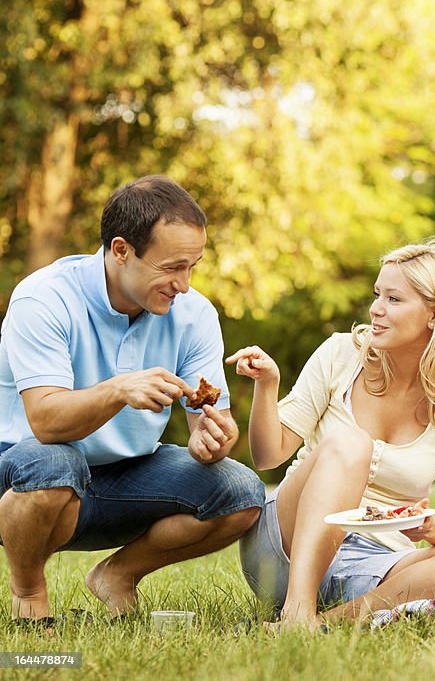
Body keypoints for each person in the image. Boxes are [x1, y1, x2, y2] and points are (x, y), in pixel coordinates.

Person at [0, 175, 265, 621]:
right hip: (23, 475)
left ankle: (117, 575)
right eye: (171, 267)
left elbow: (208, 418)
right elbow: (45, 422)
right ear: (121, 250)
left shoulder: (194, 313)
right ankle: (29, 595)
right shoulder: (43, 298)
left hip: (126, 476)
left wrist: (213, 438)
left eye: (192, 266)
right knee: (54, 462)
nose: (183, 283)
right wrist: (119, 388)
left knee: (241, 492)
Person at [231, 239, 435, 630]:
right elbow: (269, 457)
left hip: (375, 564)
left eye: (394, 299)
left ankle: (327, 622)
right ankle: (296, 610)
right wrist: (268, 386)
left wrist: (428, 527)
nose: (376, 309)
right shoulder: (341, 354)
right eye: (377, 295)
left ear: (434, 315)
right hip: (284, 547)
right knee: (352, 442)